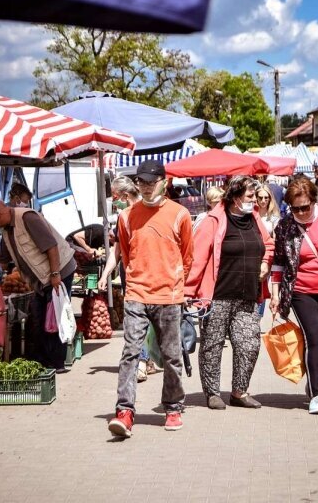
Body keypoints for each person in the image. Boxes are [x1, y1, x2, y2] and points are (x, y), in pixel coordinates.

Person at [108, 159, 193, 437]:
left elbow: (188, 256)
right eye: (141, 182)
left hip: (169, 296)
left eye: (150, 181)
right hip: (136, 294)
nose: (145, 187)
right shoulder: (126, 216)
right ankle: (125, 411)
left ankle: (172, 408)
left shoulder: (180, 215)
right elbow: (125, 250)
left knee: (170, 356)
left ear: (164, 182)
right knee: (130, 353)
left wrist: (179, 288)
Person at [185, 176, 274, 410]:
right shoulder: (213, 220)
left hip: (248, 296)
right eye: (250, 196)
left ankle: (239, 392)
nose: (254, 201)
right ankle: (212, 393)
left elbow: (269, 245)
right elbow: (197, 257)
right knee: (212, 346)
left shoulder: (254, 218)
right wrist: (188, 291)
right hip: (218, 296)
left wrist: (265, 262)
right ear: (235, 197)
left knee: (249, 344)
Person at [269, 176, 318, 415]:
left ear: (314, 200)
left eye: (305, 207)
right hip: (301, 290)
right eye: (295, 208)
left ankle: (314, 376)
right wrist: (274, 294)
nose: (301, 212)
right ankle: (317, 394)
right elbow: (279, 263)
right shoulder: (285, 225)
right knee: (314, 336)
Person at [0, 199, 76, 373]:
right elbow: (3, 260)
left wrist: (55, 275)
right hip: (40, 279)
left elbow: (51, 246)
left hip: (59, 270)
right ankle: (43, 362)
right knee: (39, 318)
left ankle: (56, 363)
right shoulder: (5, 230)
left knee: (54, 318)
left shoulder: (27, 218)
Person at [97, 176, 158, 383]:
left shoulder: (147, 211)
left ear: (123, 195)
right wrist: (106, 274)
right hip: (133, 276)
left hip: (150, 274)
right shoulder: (124, 217)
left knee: (148, 320)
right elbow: (117, 252)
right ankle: (142, 360)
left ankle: (146, 359)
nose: (114, 200)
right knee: (137, 319)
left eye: (115, 196)